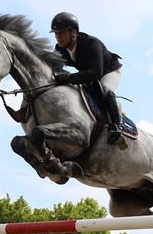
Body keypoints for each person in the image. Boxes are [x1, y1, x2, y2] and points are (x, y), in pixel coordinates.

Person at [50, 12, 126, 148]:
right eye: (55, 33)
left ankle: (117, 125)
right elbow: (53, 68)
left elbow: (96, 72)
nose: (58, 37)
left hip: (109, 71)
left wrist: (69, 78)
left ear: (73, 32)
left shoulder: (91, 43)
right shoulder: (59, 49)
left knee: (105, 89)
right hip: (88, 73)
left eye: (61, 33)